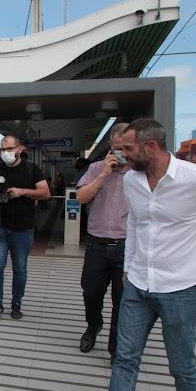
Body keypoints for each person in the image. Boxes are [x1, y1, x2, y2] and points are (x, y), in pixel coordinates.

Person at [80, 118, 196, 391]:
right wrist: (130, 267)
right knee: (125, 356)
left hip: (181, 287)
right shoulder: (133, 181)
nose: (122, 155)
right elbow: (135, 222)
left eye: (128, 149)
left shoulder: (195, 180)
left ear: (150, 147)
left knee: (181, 362)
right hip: (138, 283)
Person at [0, 135, 50, 321]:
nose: (5, 153)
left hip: (23, 228)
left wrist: (22, 192)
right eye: (2, 150)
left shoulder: (31, 169)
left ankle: (16, 302)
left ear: (19, 149)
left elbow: (45, 193)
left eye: (9, 149)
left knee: (20, 269)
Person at [74, 122, 129, 358]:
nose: (123, 154)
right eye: (118, 148)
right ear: (110, 147)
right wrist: (104, 175)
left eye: (127, 149)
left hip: (127, 246)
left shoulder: (140, 173)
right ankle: (93, 325)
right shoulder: (96, 168)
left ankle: (116, 344)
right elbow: (81, 197)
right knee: (91, 292)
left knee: (123, 299)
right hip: (97, 244)